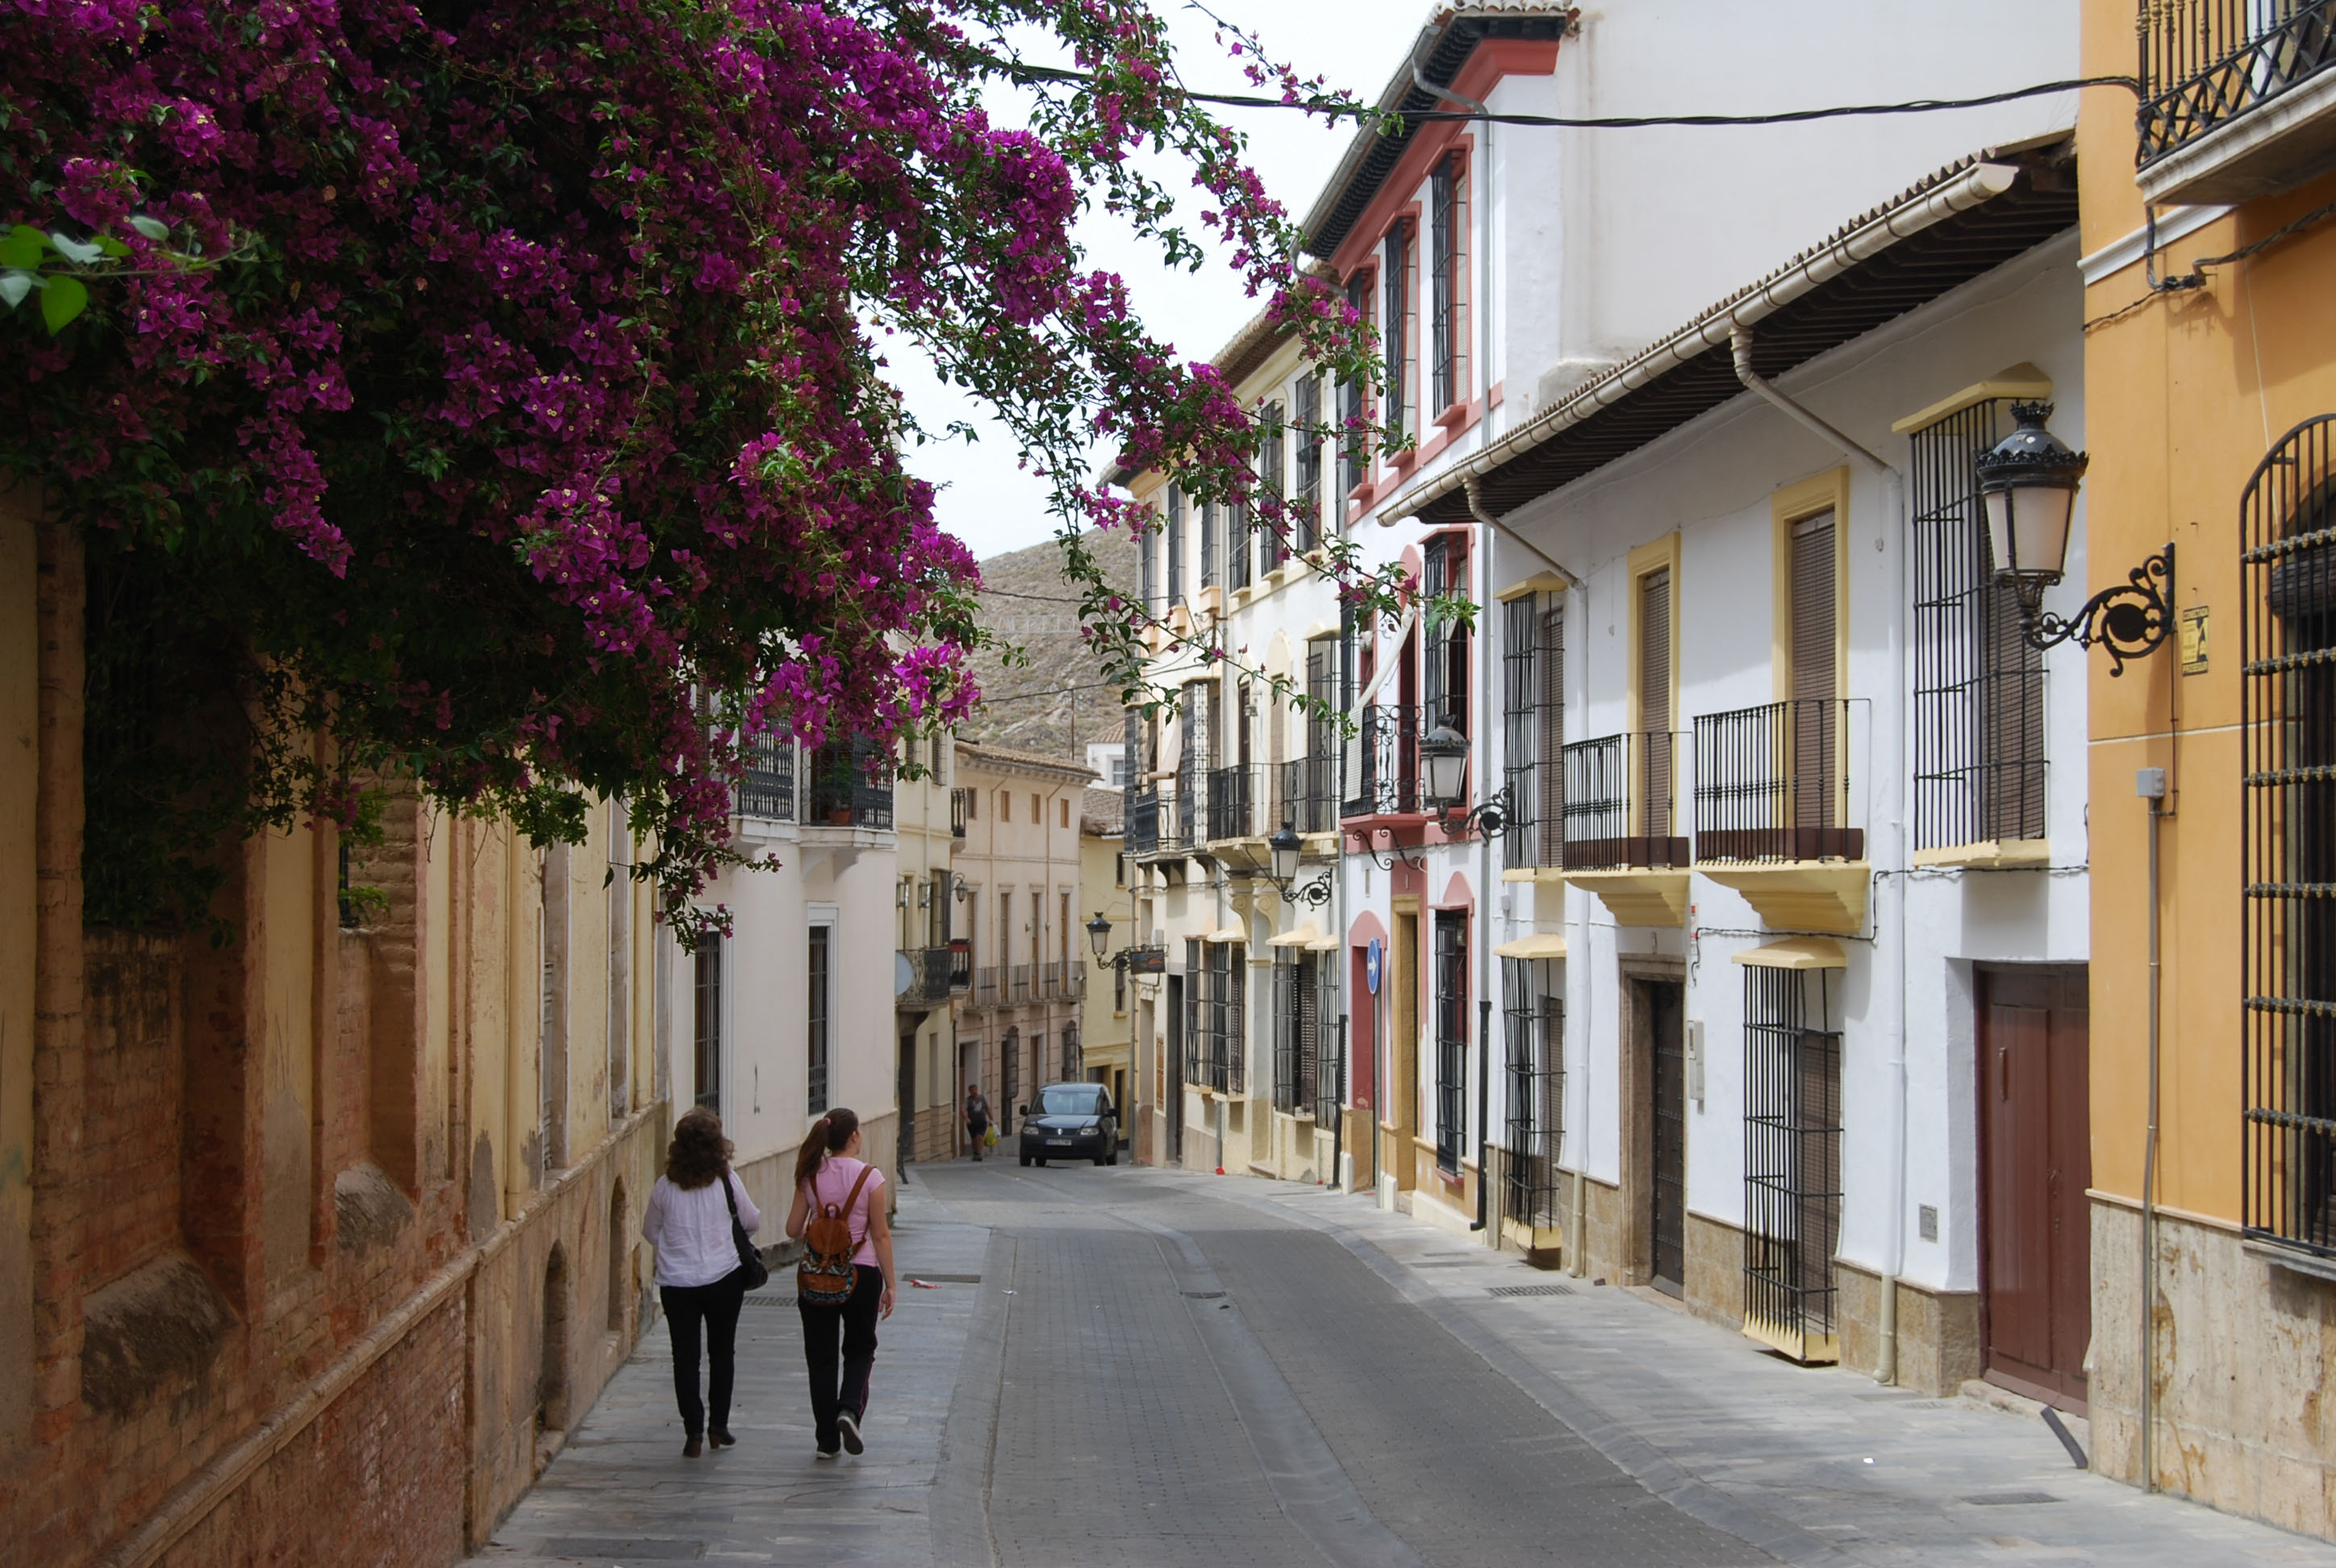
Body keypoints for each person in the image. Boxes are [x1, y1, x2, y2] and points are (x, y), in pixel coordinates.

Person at [640, 1107, 759, 1458]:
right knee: (723, 1353)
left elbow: (650, 1231)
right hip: (724, 1278)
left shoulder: (664, 1188)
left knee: (685, 1358)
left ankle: (692, 1429)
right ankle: (718, 1426)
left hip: (678, 1284)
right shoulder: (726, 1180)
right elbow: (751, 1221)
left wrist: (676, 1249)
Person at [785, 1108, 895, 1458]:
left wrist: (818, 1232)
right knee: (861, 1349)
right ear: (854, 1137)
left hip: (818, 1277)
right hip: (861, 1274)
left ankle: (826, 1441)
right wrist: (891, 1285)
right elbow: (881, 1236)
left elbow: (791, 1228)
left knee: (820, 1358)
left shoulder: (810, 1176)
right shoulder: (871, 1178)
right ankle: (849, 1409)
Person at [962, 1082, 991, 1160]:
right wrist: (966, 1118)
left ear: (977, 1090)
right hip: (972, 1123)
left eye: (975, 1090)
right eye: (972, 1090)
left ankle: (979, 1153)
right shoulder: (968, 1100)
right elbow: (963, 1110)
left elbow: (987, 1108)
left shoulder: (982, 1098)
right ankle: (976, 1152)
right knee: (974, 1139)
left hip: (982, 1121)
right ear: (970, 1091)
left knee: (980, 1137)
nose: (974, 1091)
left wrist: (991, 1118)